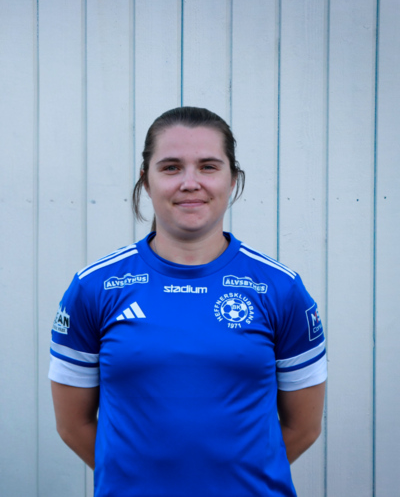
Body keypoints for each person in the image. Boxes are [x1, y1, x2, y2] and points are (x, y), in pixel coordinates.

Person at [49, 106, 327, 497]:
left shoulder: (280, 289)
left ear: (233, 179)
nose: (190, 183)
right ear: (146, 181)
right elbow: (72, 425)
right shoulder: (95, 287)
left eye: (208, 167)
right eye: (171, 167)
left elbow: (304, 428)